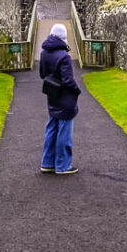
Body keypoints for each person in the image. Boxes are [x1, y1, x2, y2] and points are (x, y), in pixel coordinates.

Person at [39, 23, 81, 175]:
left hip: (52, 95)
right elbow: (68, 80)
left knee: (51, 128)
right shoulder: (64, 56)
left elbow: (42, 74)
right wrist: (77, 90)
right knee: (64, 131)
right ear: (64, 37)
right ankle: (63, 166)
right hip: (65, 98)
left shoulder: (44, 53)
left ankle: (47, 162)